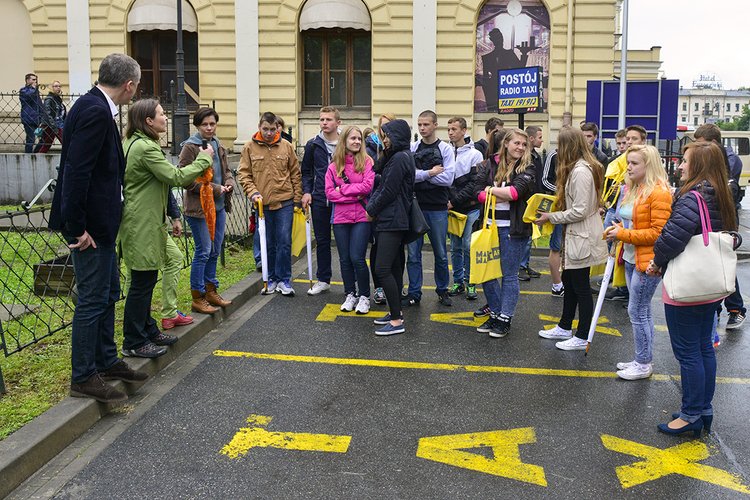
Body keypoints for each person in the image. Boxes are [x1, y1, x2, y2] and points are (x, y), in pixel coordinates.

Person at [49, 53, 147, 403]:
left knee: (106, 294)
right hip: (89, 229)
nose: (134, 94)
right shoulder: (94, 110)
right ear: (128, 84)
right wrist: (76, 228)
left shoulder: (95, 106)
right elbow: (77, 172)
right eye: (134, 88)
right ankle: (84, 376)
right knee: (91, 300)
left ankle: (106, 361)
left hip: (102, 225)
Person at [647, 141, 738, 436]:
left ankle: (690, 414)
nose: (681, 166)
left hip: (687, 288)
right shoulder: (721, 194)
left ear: (698, 165)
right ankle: (702, 408)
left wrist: (656, 261)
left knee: (688, 353)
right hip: (711, 286)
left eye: (686, 161)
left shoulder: (692, 197)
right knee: (703, 348)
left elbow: (672, 238)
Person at [119, 99, 213, 358]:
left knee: (163, 266)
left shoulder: (138, 143)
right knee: (141, 281)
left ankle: (148, 329)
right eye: (161, 114)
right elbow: (176, 177)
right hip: (142, 224)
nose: (166, 117)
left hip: (149, 222)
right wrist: (203, 160)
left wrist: (172, 215)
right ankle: (134, 341)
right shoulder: (145, 148)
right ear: (148, 121)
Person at [535, 127, 607, 350]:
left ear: (569, 146)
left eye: (560, 144)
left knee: (581, 286)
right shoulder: (579, 168)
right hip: (576, 236)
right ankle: (565, 326)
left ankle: (582, 335)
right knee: (570, 281)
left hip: (581, 236)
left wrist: (551, 217)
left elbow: (580, 210)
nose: (557, 148)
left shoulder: (581, 172)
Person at [604, 145, 672, 380]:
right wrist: (620, 230)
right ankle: (642, 359)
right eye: (628, 162)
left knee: (638, 311)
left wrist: (622, 234)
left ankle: (643, 363)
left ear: (648, 165)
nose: (628, 167)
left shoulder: (659, 191)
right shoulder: (635, 187)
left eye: (634, 163)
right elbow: (633, 223)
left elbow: (658, 232)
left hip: (648, 260)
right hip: (633, 256)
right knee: (642, 311)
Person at [472, 128, 536, 338]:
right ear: (506, 143)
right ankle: (496, 311)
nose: (520, 147)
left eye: (524, 144)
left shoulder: (528, 167)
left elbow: (515, 193)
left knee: (509, 275)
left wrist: (490, 191)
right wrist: (498, 194)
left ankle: (505, 317)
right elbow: (476, 192)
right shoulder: (490, 164)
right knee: (486, 273)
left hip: (513, 230)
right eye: (517, 143)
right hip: (488, 227)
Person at [237, 112, 303, 296]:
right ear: (259, 127)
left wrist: (297, 199)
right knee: (268, 243)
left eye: (272, 129)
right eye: (265, 129)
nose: (268, 133)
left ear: (277, 128)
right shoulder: (249, 147)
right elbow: (244, 174)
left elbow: (295, 174)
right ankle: (271, 278)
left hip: (285, 201)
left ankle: (284, 280)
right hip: (262, 203)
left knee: (284, 241)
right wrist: (253, 192)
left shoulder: (287, 147)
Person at [178, 107, 236, 314]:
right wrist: (214, 189)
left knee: (214, 250)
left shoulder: (217, 144)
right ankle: (198, 296)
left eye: (212, 124)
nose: (209, 128)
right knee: (203, 251)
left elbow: (226, 171)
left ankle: (211, 291)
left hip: (218, 207)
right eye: (205, 124)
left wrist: (228, 183)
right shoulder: (190, 147)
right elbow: (185, 178)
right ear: (197, 126)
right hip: (199, 210)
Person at [693, 124, 745, 330]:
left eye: (701, 144)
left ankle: (736, 309)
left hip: (723, 222)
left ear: (712, 143)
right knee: (716, 267)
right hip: (714, 221)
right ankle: (717, 310)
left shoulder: (729, 161)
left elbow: (725, 194)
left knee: (724, 267)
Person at [365, 119, 415, 336]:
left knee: (382, 268)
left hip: (392, 220)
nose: (384, 140)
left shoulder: (399, 159)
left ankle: (396, 321)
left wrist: (371, 209)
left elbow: (388, 191)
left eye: (387, 136)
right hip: (393, 218)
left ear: (398, 136)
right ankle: (397, 313)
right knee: (393, 268)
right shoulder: (399, 157)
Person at [405, 110, 456, 307]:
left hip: (437, 208)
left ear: (435, 125)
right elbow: (409, 176)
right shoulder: (413, 147)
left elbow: (448, 178)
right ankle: (414, 292)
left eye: (426, 124)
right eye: (419, 125)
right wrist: (430, 173)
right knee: (413, 254)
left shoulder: (445, 149)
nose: (422, 128)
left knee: (441, 253)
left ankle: (442, 290)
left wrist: (421, 175)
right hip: (416, 206)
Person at [325, 126, 375, 314]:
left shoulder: (367, 162)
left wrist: (343, 190)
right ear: (344, 140)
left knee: (357, 258)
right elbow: (329, 193)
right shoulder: (333, 166)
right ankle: (350, 294)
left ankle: (364, 296)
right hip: (340, 218)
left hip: (361, 217)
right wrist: (354, 193)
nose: (356, 142)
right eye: (353, 138)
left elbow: (367, 187)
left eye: (359, 139)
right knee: (345, 259)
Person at [601, 125, 647, 302]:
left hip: (635, 222)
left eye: (633, 139)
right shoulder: (620, 161)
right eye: (627, 139)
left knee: (633, 260)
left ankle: (630, 294)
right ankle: (622, 287)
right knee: (618, 253)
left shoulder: (648, 167)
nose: (628, 142)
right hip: (618, 213)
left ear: (643, 141)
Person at [302, 106, 341, 296]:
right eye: (322, 119)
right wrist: (307, 191)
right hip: (319, 199)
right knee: (323, 241)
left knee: (345, 242)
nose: (324, 122)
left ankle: (351, 284)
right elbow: (307, 171)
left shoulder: (347, 142)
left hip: (342, 199)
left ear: (337, 123)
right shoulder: (313, 144)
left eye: (328, 119)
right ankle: (323, 279)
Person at [446, 116, 483, 300]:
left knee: (468, 246)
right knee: (455, 246)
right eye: (449, 129)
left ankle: (471, 282)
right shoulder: (446, 151)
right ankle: (458, 281)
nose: (451, 132)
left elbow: (474, 185)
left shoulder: (475, 154)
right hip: (452, 209)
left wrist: (453, 202)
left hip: (470, 208)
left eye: (454, 129)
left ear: (464, 131)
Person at [370, 113, 396, 305]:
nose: (385, 133)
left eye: (388, 128)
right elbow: (370, 177)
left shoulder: (399, 155)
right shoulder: (372, 148)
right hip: (376, 208)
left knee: (392, 258)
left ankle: (395, 290)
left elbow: (389, 186)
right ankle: (380, 288)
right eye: (382, 128)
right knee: (376, 249)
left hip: (391, 212)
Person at [481, 29, 529, 113]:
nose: (500, 40)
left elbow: (520, 68)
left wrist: (524, 54)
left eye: (501, 38)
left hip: (508, 88)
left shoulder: (509, 54)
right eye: (498, 38)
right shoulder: (487, 58)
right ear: (493, 41)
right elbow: (485, 78)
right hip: (494, 89)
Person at [518, 125, 543, 281]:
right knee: (524, 236)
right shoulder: (525, 157)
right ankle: (520, 266)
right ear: (531, 138)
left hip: (534, 199)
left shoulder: (536, 156)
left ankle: (525, 264)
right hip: (525, 200)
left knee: (530, 235)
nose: (542, 140)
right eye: (540, 137)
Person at [540, 143, 564, 297]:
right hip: (558, 206)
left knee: (570, 246)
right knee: (556, 246)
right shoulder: (554, 155)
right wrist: (563, 191)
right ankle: (557, 285)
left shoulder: (579, 158)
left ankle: (566, 282)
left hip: (572, 208)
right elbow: (545, 180)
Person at [37, 80, 66, 153]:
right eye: (56, 86)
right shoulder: (49, 99)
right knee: (65, 143)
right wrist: (54, 126)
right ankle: (37, 157)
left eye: (59, 86)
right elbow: (48, 114)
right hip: (51, 125)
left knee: (47, 144)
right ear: (52, 88)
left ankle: (37, 156)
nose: (58, 88)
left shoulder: (57, 99)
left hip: (58, 124)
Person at [19, 73, 45, 153]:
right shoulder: (23, 90)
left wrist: (42, 116)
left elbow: (39, 104)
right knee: (30, 139)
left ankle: (34, 153)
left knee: (43, 139)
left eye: (36, 80)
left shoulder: (35, 91)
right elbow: (29, 97)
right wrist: (34, 89)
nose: (35, 81)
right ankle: (28, 156)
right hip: (28, 119)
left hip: (37, 120)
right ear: (27, 80)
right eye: (33, 79)